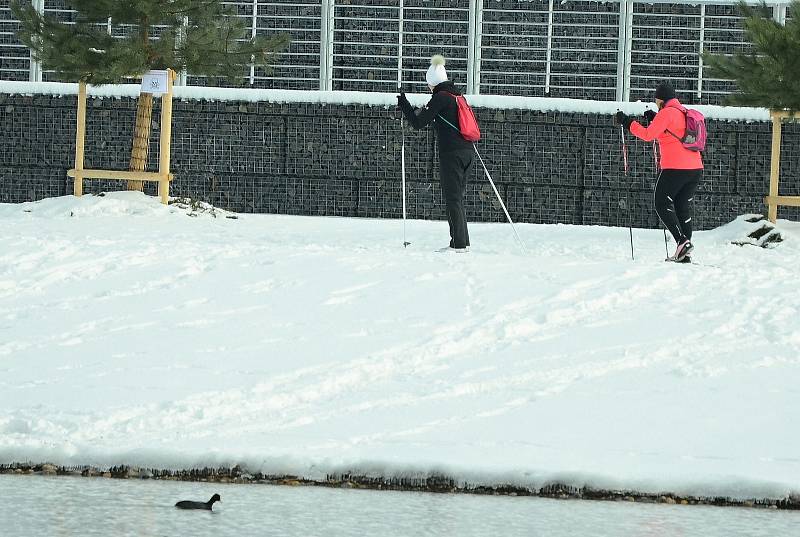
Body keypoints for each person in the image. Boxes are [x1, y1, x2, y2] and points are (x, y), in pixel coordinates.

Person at [615, 83, 704, 263]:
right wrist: (655, 118)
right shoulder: (683, 112)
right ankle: (684, 251)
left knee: (661, 202)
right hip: (695, 168)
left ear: (661, 100)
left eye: (657, 101)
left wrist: (627, 122)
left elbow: (648, 135)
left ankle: (681, 242)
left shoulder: (666, 113)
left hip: (675, 168)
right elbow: (671, 130)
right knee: (681, 206)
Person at [397, 55, 474, 253]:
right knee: (457, 198)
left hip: (452, 154)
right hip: (467, 151)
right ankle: (462, 242)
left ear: (432, 83)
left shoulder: (440, 97)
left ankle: (458, 244)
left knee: (452, 198)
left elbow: (418, 122)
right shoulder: (457, 96)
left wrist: (404, 105)